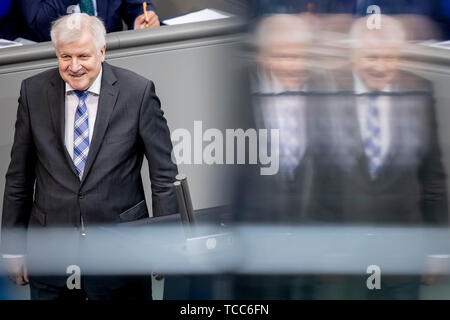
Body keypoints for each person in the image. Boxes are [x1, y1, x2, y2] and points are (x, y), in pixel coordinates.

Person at [1, 13, 178, 300]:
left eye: (83, 56)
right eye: (64, 57)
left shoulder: (138, 92)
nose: (74, 67)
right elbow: (19, 176)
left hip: (122, 255)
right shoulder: (33, 92)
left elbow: (163, 176)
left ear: (102, 51)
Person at [308, 15, 448, 299]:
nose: (381, 66)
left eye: (389, 57)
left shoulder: (419, 93)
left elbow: (432, 177)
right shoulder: (326, 96)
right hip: (346, 260)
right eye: (372, 56)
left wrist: (438, 249)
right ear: (354, 55)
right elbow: (317, 183)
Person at [1, 0, 159, 42]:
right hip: (44, 62)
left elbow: (139, 7)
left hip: (104, 58)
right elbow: (38, 23)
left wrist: (144, 19)